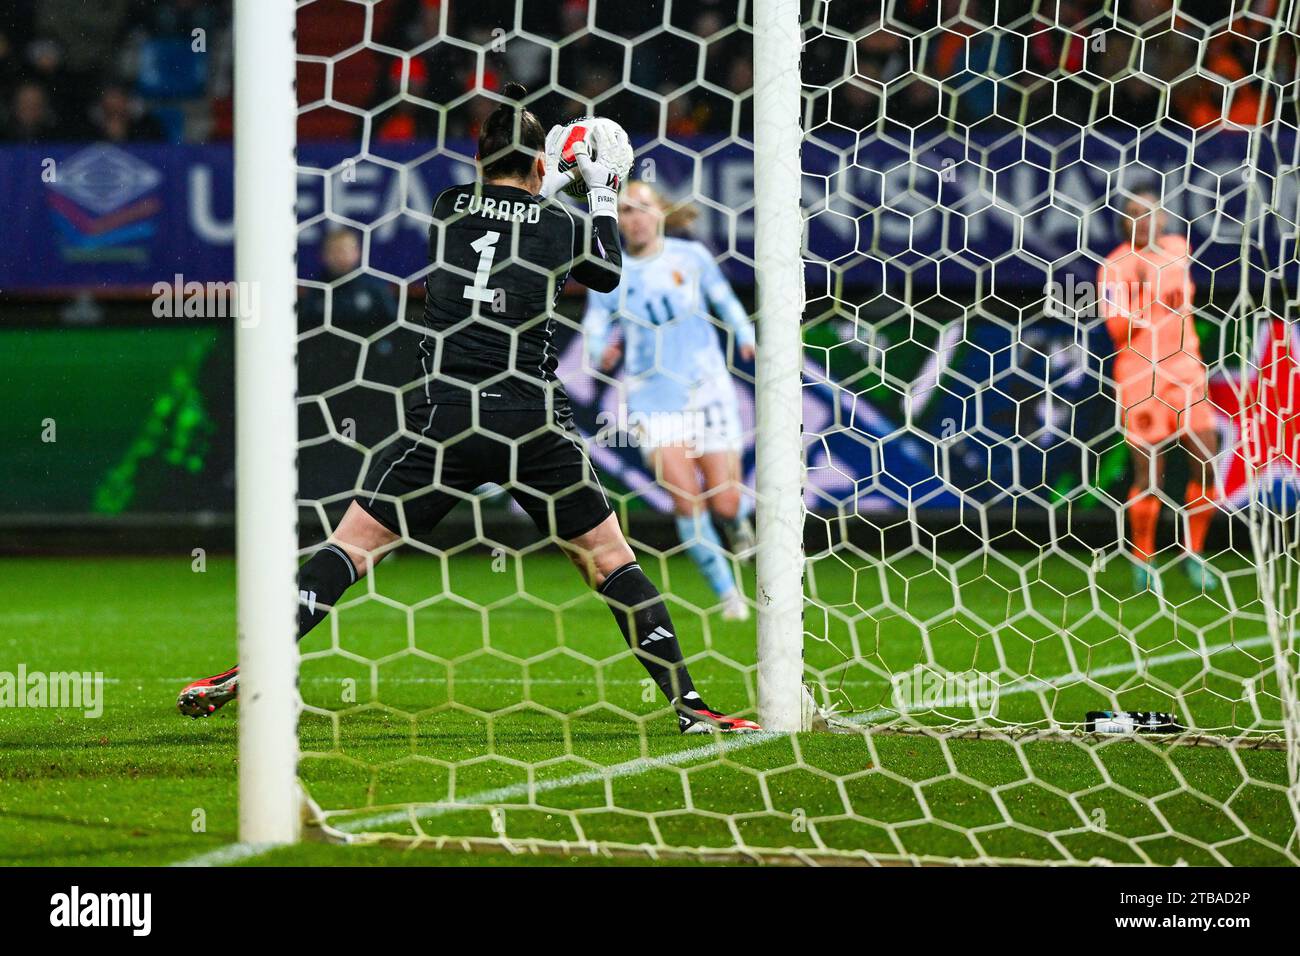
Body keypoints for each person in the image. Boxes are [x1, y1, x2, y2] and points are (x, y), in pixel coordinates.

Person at [178, 83, 760, 735]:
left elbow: (508, 220)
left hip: (449, 418)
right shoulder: (560, 224)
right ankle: (690, 707)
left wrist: (549, 170)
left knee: (351, 546)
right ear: (540, 164)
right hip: (530, 420)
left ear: (479, 162)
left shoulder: (451, 209)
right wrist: (595, 187)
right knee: (608, 558)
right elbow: (602, 272)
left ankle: (254, 664)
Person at [583, 181, 756, 620]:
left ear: (660, 213)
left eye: (640, 209)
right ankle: (729, 596)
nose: (632, 218)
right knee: (685, 499)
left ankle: (736, 523)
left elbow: (725, 300)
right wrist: (597, 350)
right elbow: (595, 321)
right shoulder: (612, 271)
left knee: (725, 502)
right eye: (623, 210)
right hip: (651, 399)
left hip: (706, 389)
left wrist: (745, 335)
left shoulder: (690, 258)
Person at [1098, 188, 1219, 593]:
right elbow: (1117, 330)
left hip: (1186, 371)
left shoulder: (1178, 248)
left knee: (1206, 456)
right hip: (1139, 375)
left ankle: (1194, 553)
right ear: (1123, 221)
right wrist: (1145, 290)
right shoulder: (1115, 267)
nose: (1143, 221)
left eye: (1149, 213)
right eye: (1133, 214)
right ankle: (1144, 560)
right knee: (1148, 472)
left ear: (1163, 218)